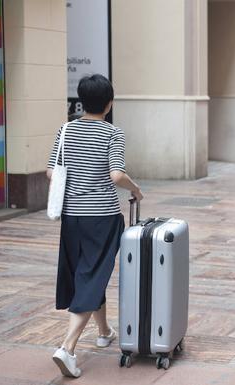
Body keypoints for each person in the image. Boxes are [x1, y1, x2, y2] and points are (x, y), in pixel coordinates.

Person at [47, 74, 143, 378]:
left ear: (81, 100)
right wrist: (135, 188)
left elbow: (52, 173)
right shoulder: (113, 133)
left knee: (89, 272)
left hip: (71, 217)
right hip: (102, 217)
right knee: (92, 275)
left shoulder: (66, 130)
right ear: (109, 103)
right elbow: (116, 175)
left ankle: (104, 332)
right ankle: (68, 347)